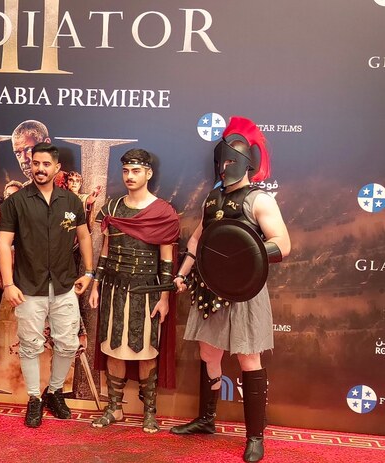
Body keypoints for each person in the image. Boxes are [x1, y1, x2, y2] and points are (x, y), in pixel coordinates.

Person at [169, 117, 291, 463]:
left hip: (243, 290)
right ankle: (207, 420)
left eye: (229, 161)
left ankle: (255, 437)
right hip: (210, 288)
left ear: (245, 162)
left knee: (248, 359)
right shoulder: (212, 199)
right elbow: (198, 241)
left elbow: (283, 245)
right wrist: (181, 274)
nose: (224, 167)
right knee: (209, 354)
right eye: (221, 161)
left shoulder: (259, 200)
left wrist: (244, 254)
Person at [0, 142, 94, 428]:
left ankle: (54, 392)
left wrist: (89, 273)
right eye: (36, 163)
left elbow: (84, 236)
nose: (40, 169)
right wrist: (8, 284)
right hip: (28, 287)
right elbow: (4, 243)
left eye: (46, 164)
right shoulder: (15, 202)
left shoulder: (71, 202)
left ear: (57, 168)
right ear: (30, 165)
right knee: (30, 346)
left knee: (67, 344)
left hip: (64, 285)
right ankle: (34, 398)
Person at [88, 149, 180, 433]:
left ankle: (149, 412)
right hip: (114, 288)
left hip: (147, 290)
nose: (130, 176)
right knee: (113, 348)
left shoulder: (162, 212)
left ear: (148, 173)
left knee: (146, 351)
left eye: (136, 171)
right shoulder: (112, 208)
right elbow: (105, 251)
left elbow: (166, 259)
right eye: (126, 171)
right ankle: (114, 408)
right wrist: (96, 284)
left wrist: (164, 298)